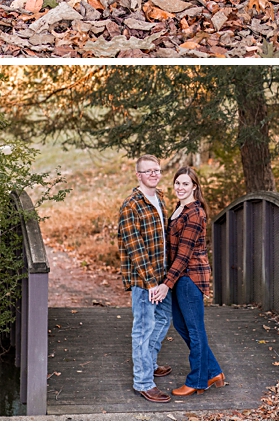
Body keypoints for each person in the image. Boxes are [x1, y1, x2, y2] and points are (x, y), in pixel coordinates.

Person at [151, 167, 225, 397]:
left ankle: (197, 381)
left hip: (190, 277)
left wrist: (166, 284)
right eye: (177, 183)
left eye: (185, 184)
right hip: (179, 276)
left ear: (195, 186)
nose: (180, 188)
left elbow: (183, 254)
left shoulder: (195, 213)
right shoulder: (179, 208)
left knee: (195, 329)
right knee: (183, 327)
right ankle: (213, 371)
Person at [117, 153, 172, 402]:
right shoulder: (131, 206)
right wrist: (152, 284)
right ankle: (143, 381)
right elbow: (135, 249)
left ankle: (148, 363)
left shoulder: (159, 197)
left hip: (161, 277)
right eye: (148, 171)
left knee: (164, 319)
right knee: (143, 328)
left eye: (157, 170)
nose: (154, 174)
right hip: (144, 281)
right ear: (138, 175)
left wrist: (165, 280)